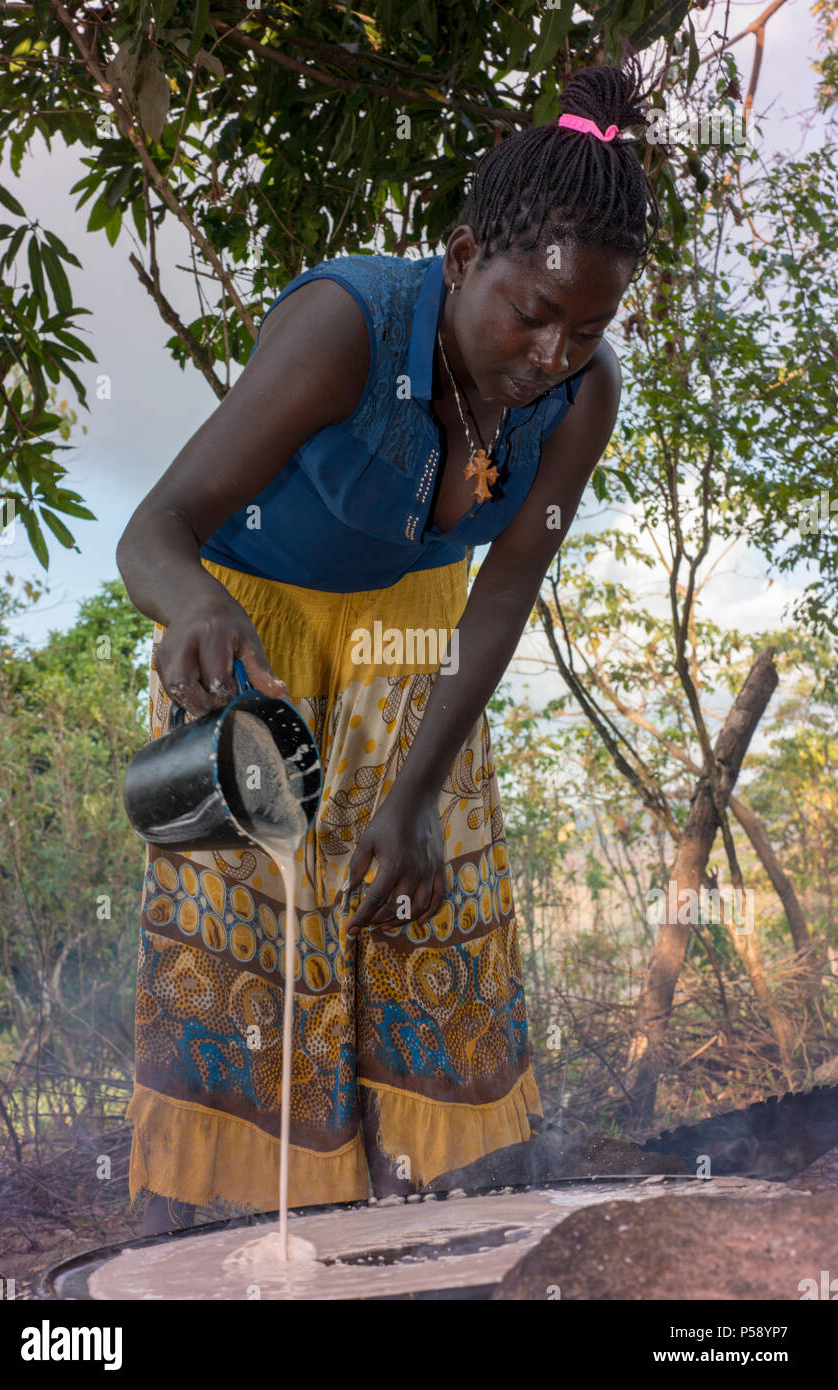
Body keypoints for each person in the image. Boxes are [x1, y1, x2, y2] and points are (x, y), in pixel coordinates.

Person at [116, 60, 660, 1236]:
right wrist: (193, 609)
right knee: (254, 957)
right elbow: (152, 530)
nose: (553, 351)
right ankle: (215, 1252)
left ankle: (428, 1240)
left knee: (418, 930)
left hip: (423, 651)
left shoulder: (583, 395)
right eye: (531, 311)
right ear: (464, 258)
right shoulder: (344, 329)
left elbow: (504, 592)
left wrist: (413, 797)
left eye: (589, 326)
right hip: (258, 635)